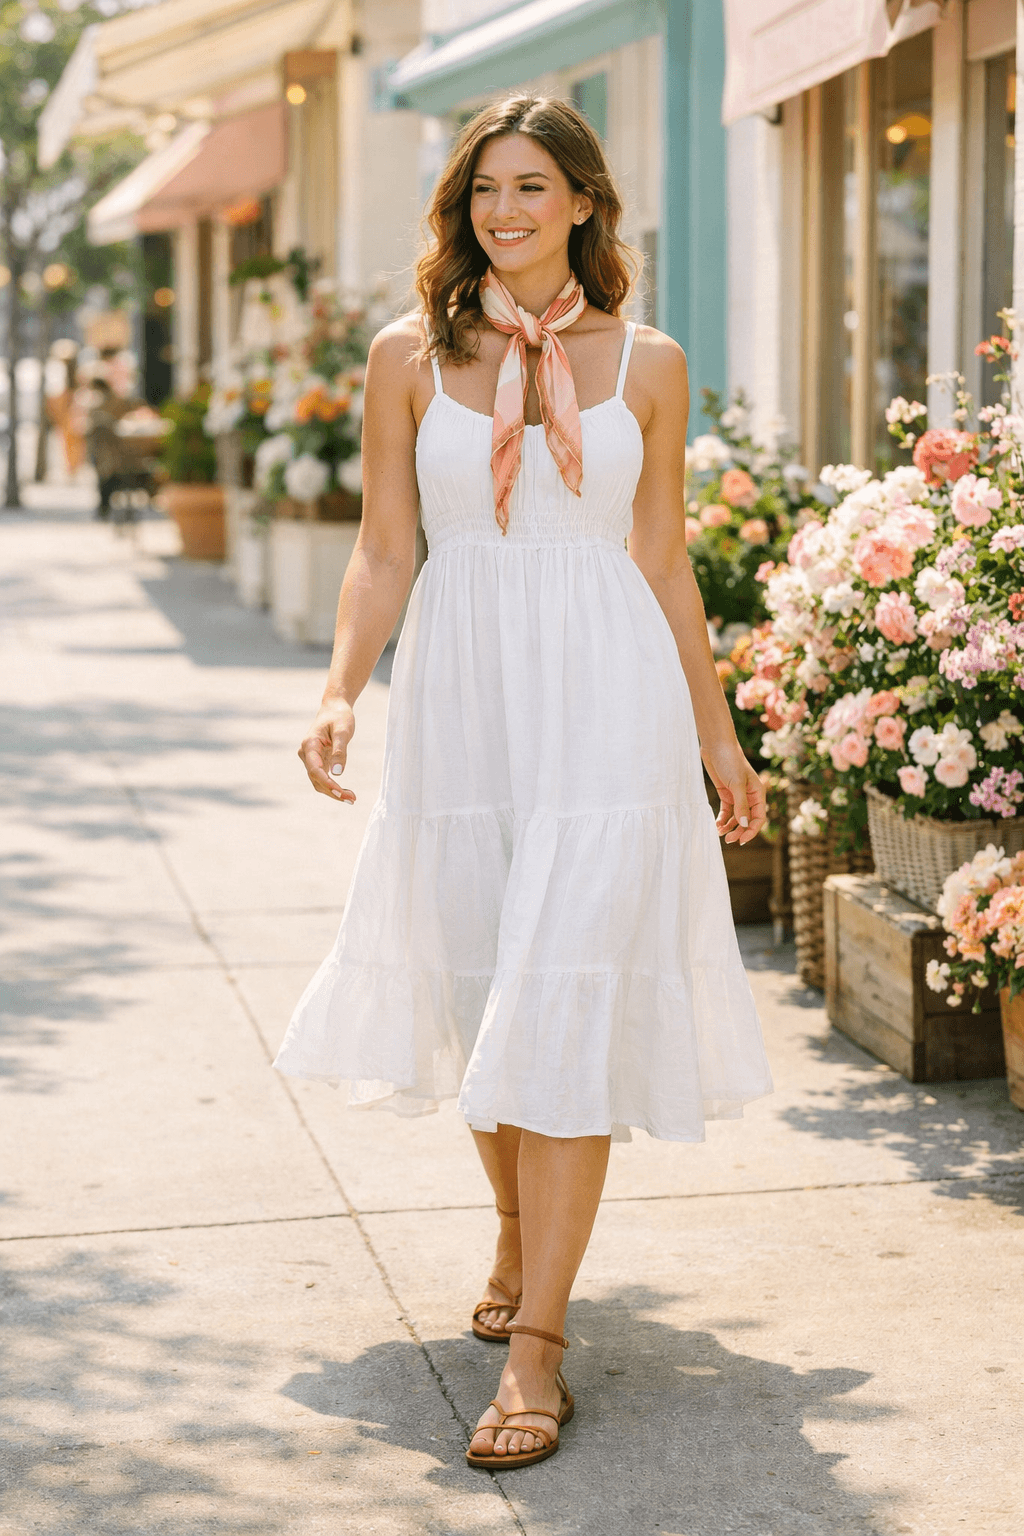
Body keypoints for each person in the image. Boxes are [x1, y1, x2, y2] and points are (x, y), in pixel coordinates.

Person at [275, 94, 773, 1471]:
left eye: (534, 186)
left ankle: (541, 1349)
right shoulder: (405, 358)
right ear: (463, 204)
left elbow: (662, 561)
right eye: (487, 187)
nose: (507, 210)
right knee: (489, 977)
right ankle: (511, 1226)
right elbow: (385, 548)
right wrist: (336, 693)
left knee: (564, 986)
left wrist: (716, 737)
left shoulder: (652, 365)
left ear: (584, 204)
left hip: (605, 703)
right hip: (466, 694)